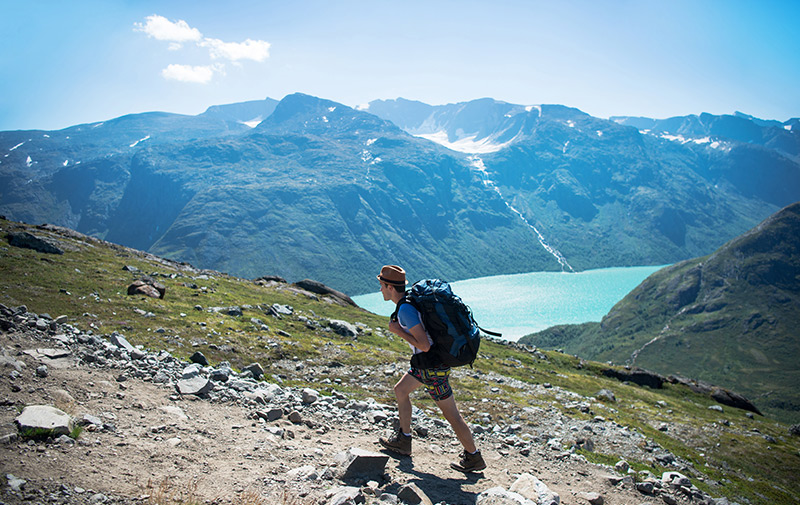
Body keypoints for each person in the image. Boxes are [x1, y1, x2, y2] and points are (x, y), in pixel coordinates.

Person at [376, 264, 486, 473]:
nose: (380, 290)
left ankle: (473, 457)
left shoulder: (406, 310)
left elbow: (424, 344)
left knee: (452, 414)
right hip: (427, 365)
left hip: (432, 368)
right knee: (400, 391)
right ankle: (404, 439)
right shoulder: (409, 304)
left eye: (382, 285)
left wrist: (397, 331)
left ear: (390, 287)